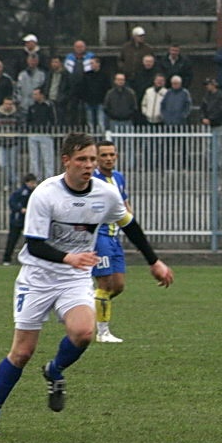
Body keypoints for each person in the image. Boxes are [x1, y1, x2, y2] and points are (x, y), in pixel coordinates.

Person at [0, 132, 174, 437]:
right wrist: (69, 257)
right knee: (22, 352)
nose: (89, 165)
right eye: (82, 159)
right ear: (66, 161)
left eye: (92, 159)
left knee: (83, 333)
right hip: (38, 277)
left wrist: (154, 261)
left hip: (74, 277)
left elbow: (130, 225)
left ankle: (54, 371)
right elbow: (35, 244)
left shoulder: (105, 194)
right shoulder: (45, 193)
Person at [91, 140, 131, 343]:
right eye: (104, 155)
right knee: (105, 283)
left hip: (115, 237)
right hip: (100, 237)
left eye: (111, 155)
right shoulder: (92, 180)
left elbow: (124, 203)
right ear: (97, 158)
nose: (108, 158)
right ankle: (102, 332)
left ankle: (89, 302)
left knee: (119, 285)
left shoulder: (118, 178)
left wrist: (131, 220)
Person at [2, 173, 38, 265]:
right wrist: (20, 209)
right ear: (27, 182)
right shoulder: (20, 192)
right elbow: (12, 202)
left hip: (28, 220)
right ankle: (6, 259)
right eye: (32, 183)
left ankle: (29, 258)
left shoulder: (35, 192)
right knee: (12, 240)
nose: (33, 184)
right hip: (17, 220)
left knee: (30, 240)